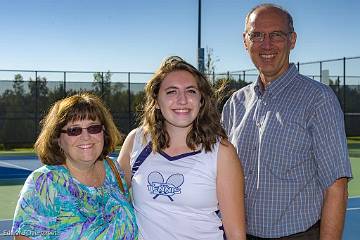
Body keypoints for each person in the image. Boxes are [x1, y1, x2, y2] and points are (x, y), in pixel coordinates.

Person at [221, 3, 352, 240]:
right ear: (245, 41)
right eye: (257, 35)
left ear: (292, 40)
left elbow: (336, 188)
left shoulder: (318, 99)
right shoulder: (234, 104)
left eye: (276, 35)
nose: (266, 44)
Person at [117, 56, 246, 239]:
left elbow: (236, 235)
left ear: (201, 100)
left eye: (191, 91)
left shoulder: (222, 152)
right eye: (171, 92)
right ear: (156, 101)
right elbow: (108, 196)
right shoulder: (137, 141)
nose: (183, 100)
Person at [11, 93, 138, 239]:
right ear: (57, 139)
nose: (86, 137)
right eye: (74, 130)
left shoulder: (113, 169)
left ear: (103, 132)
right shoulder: (44, 183)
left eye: (93, 128)